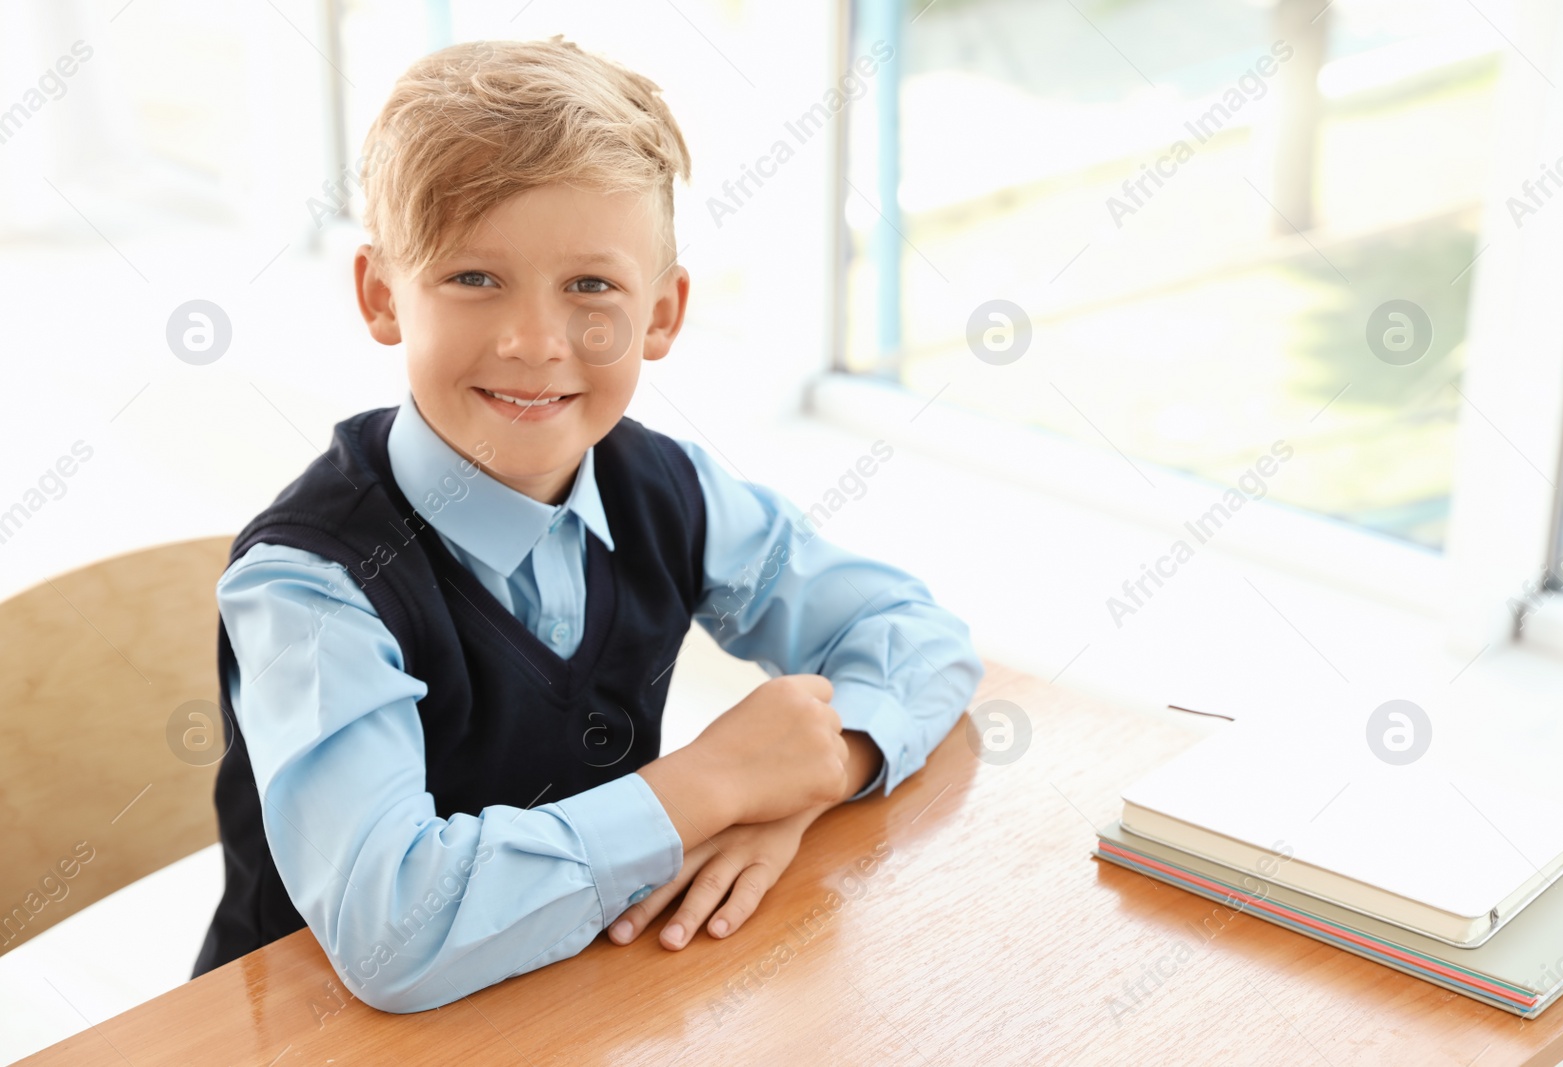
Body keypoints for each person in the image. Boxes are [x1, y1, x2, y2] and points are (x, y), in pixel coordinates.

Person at [190, 36, 982, 1012]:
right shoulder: (311, 586)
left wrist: (818, 773)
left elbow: (914, 634)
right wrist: (709, 786)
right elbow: (393, 930)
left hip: (580, 1004)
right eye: (474, 278)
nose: (533, 341)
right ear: (381, 294)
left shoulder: (663, 487)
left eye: (591, 286)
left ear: (662, 313)